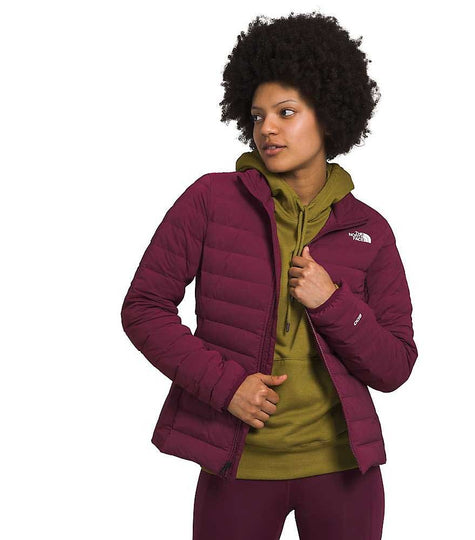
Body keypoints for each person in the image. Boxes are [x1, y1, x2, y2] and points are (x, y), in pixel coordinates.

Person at [121, 11, 418, 540]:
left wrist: (332, 303)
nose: (267, 129)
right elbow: (144, 308)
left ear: (328, 115)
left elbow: (395, 366)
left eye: (286, 112)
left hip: (343, 471)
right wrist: (226, 386)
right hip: (238, 467)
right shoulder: (210, 200)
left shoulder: (369, 230)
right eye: (258, 116)